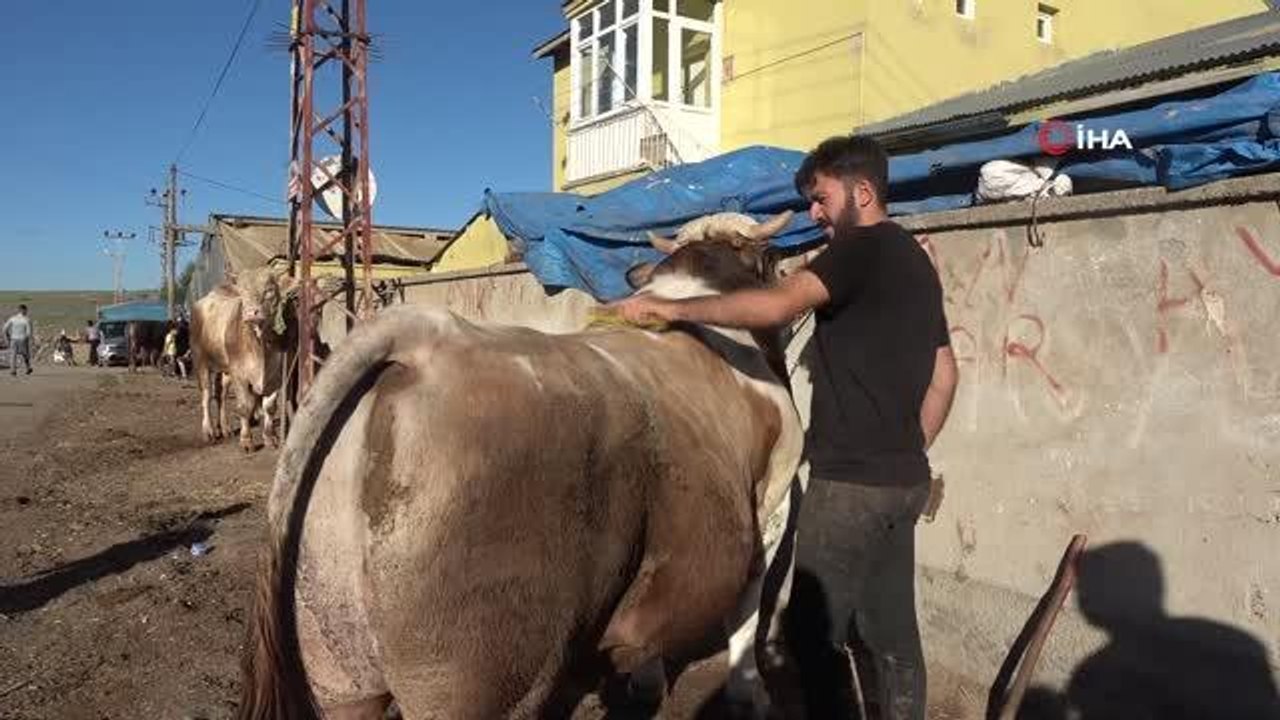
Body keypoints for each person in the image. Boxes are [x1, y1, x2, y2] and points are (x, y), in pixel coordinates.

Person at [608, 135, 959, 719]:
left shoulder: (858, 248)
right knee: (893, 637)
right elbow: (945, 374)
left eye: (821, 199)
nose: (815, 214)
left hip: (849, 487)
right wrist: (908, 448)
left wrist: (668, 309)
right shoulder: (917, 266)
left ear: (863, 192)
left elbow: (773, 309)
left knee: (809, 637)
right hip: (903, 480)